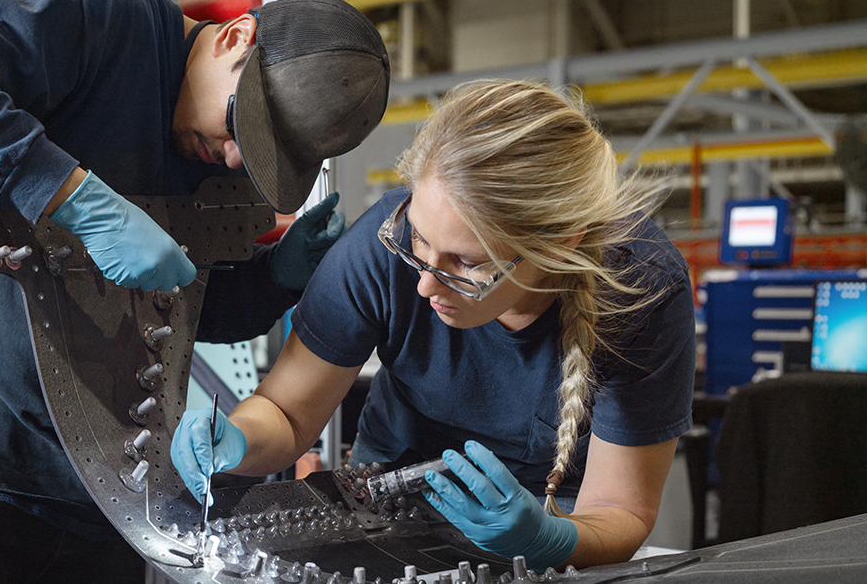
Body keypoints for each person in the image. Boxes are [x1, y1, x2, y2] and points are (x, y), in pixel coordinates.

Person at [0, 0, 390, 583]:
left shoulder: (224, 152)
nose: (235, 159)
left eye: (259, 156)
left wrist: (274, 280)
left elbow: (183, 310)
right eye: (241, 127)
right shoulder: (95, 21)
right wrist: (74, 199)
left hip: (106, 484)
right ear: (235, 37)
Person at [173, 79, 695, 572]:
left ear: (562, 245)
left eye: (468, 263)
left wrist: (547, 539)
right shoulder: (380, 250)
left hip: (564, 513)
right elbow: (286, 412)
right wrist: (236, 438)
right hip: (392, 482)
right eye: (419, 240)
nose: (425, 284)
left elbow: (618, 511)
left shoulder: (641, 290)